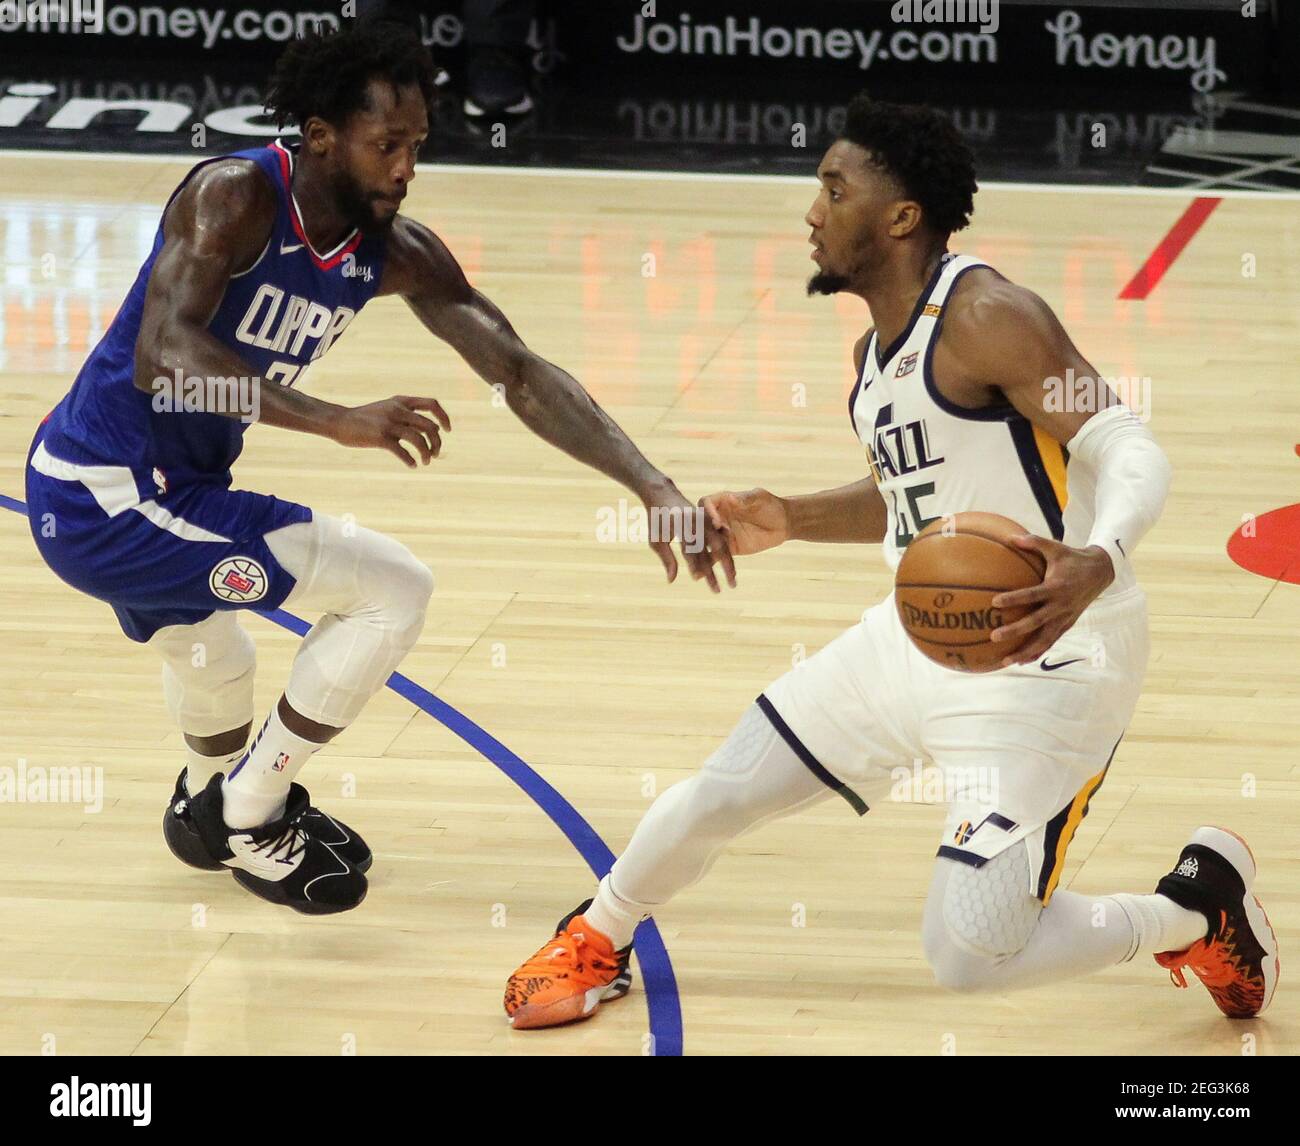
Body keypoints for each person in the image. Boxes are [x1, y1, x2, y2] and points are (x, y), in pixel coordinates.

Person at [501, 94, 1278, 1028]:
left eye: (834, 188)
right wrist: (790, 516)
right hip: (921, 637)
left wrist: (1098, 560)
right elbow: (922, 503)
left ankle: (1192, 914)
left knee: (968, 951)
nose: (812, 212)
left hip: (1049, 658)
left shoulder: (991, 315)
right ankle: (600, 932)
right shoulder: (876, 355)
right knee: (720, 786)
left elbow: (1129, 444)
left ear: (903, 215)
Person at [25, 21, 730, 917]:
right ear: (321, 136)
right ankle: (249, 815)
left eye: (417, 147)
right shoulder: (234, 195)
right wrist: (337, 421)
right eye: (385, 145)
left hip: (162, 491)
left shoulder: (395, 250)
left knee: (216, 659)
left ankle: (206, 806)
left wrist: (651, 484)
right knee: (393, 589)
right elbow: (162, 356)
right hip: (110, 495)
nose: (404, 168)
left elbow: (518, 370)